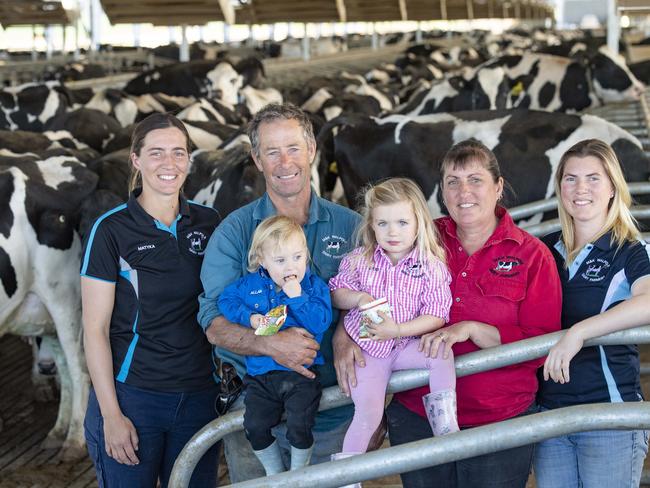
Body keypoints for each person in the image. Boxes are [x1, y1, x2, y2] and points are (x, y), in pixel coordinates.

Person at [331, 139, 562, 488]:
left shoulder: (532, 255)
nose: (463, 191)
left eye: (475, 179)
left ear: (498, 187)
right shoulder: (415, 236)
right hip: (415, 413)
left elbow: (543, 342)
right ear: (441, 191)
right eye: (452, 181)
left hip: (499, 417)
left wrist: (472, 328)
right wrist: (344, 335)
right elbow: (363, 287)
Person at [198, 103, 361, 481]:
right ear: (257, 158)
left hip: (333, 410)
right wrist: (269, 344)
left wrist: (347, 333)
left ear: (312, 151)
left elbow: (378, 304)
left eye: (293, 148)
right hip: (254, 407)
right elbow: (212, 321)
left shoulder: (351, 227)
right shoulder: (234, 233)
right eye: (272, 151)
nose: (284, 161)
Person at [80, 113, 221, 488]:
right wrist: (111, 414)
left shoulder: (209, 222)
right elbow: (94, 330)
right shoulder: (110, 230)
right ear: (136, 160)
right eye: (156, 153)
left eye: (178, 152)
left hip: (200, 396)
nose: (169, 163)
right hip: (134, 398)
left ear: (190, 160)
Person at [534, 139, 650, 488]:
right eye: (570, 178)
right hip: (548, 414)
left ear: (613, 186)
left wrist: (579, 332)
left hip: (608, 413)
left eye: (593, 178)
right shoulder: (542, 251)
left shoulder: (630, 249)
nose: (580, 188)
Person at [329, 178, 457, 462]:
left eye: (402, 222)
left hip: (404, 344)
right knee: (369, 414)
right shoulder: (359, 260)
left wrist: (398, 330)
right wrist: (359, 298)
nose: (392, 232)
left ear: (418, 223)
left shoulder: (430, 265)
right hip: (368, 350)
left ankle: (446, 425)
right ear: (371, 225)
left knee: (441, 354)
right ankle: (347, 471)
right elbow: (336, 293)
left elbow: (436, 314)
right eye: (383, 223)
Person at [218, 215, 332, 474]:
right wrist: (248, 317)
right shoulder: (250, 286)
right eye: (280, 261)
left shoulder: (313, 287)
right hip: (261, 375)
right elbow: (226, 300)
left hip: (301, 374)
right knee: (254, 426)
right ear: (262, 260)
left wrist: (298, 297)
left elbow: (319, 323)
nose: (290, 267)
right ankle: (274, 472)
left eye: (297, 257)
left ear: (306, 255)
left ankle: (298, 471)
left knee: (299, 424)